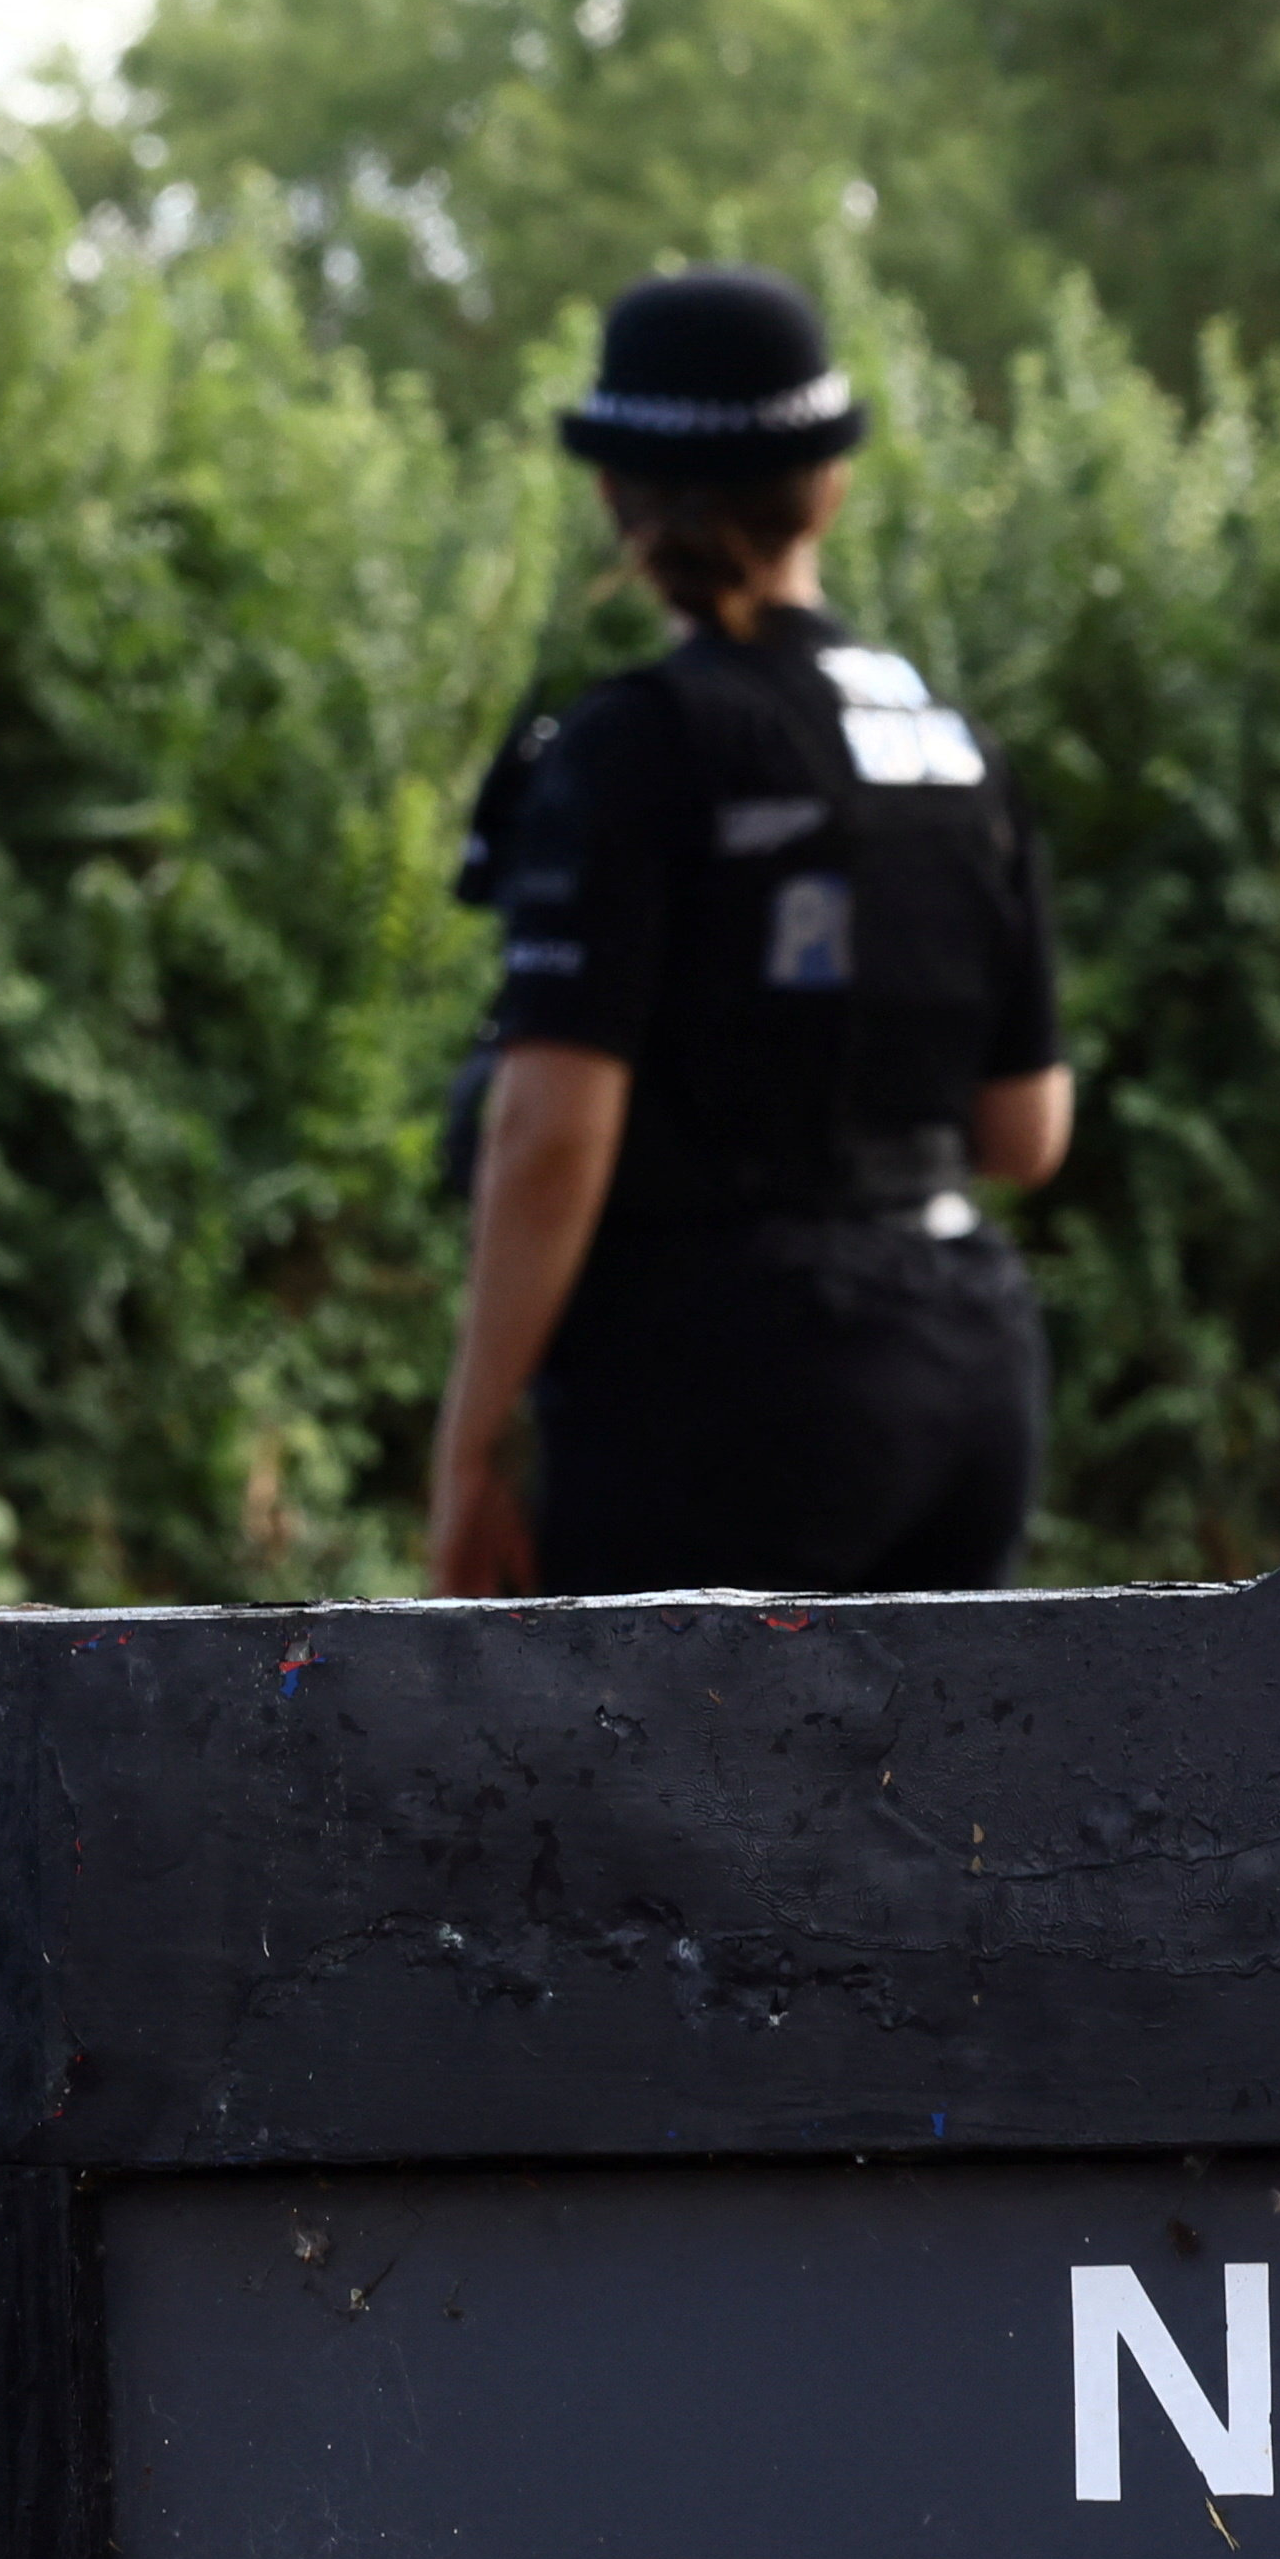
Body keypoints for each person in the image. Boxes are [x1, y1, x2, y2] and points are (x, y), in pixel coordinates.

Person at [424, 269, 1076, 1597]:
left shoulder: (633, 746)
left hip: (720, 1394)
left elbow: (551, 1131)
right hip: (970, 1373)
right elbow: (1026, 1135)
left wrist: (470, 1449)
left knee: (639, 1804)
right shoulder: (956, 751)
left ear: (612, 492)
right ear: (829, 483)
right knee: (923, 1805)